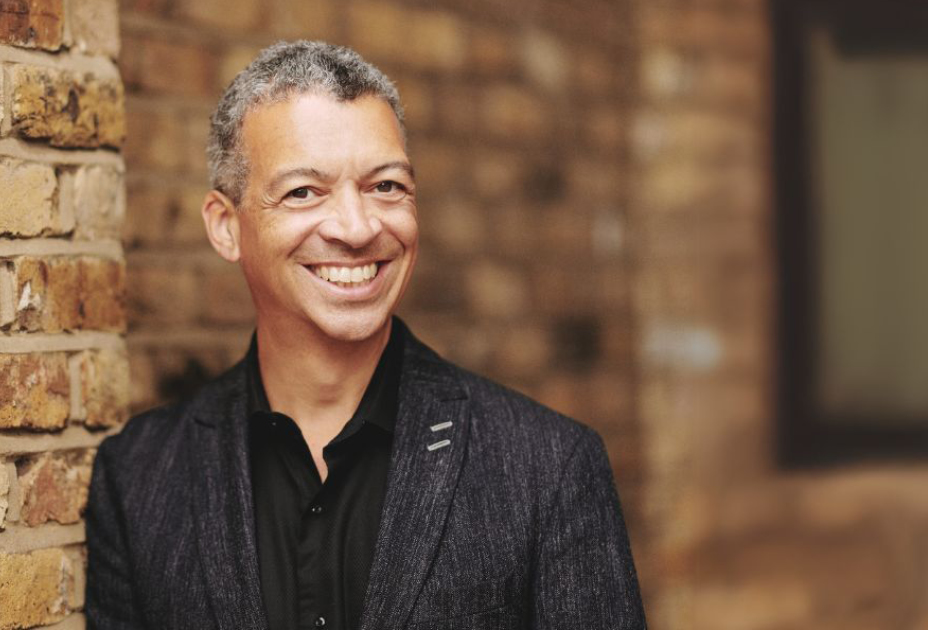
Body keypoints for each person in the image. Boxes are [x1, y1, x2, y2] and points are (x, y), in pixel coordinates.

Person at [86, 40, 647, 630]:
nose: (357, 228)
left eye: (386, 187)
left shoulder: (549, 467)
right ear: (226, 227)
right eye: (304, 191)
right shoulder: (139, 478)